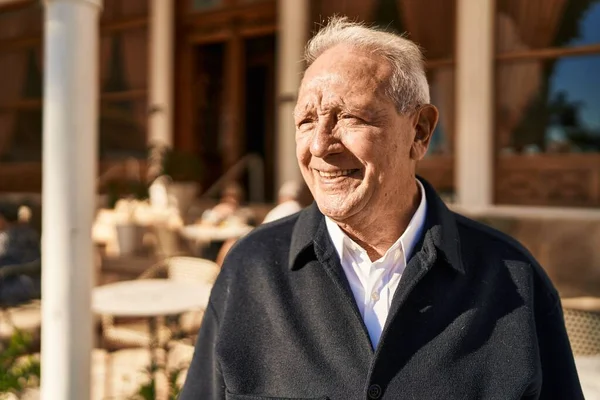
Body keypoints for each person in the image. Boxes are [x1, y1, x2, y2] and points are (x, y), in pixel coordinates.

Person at [181, 17, 583, 399]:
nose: (320, 146)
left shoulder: (513, 279)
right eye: (306, 121)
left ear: (420, 132)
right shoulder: (249, 268)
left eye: (350, 117)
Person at [0, 201, 41, 305]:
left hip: (23, 282)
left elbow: (36, 264)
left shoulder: (25, 235)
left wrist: (9, 270)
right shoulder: (4, 235)